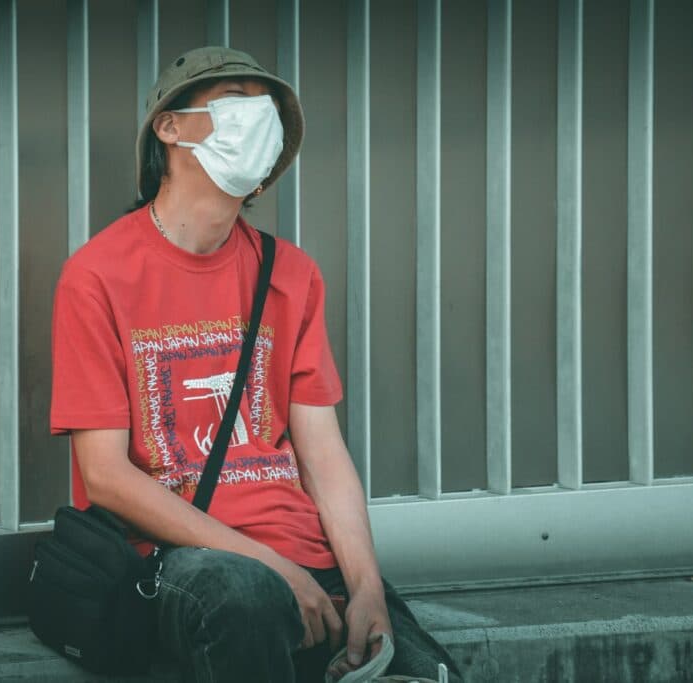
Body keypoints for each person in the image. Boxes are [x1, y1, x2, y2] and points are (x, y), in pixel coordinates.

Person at [50, 46, 461, 683]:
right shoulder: (97, 276)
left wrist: (369, 588)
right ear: (171, 126)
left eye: (264, 106)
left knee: (424, 670)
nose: (258, 117)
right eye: (233, 99)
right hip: (182, 561)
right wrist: (269, 568)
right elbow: (103, 476)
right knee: (244, 601)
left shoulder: (291, 276)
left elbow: (323, 454)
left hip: (307, 560)